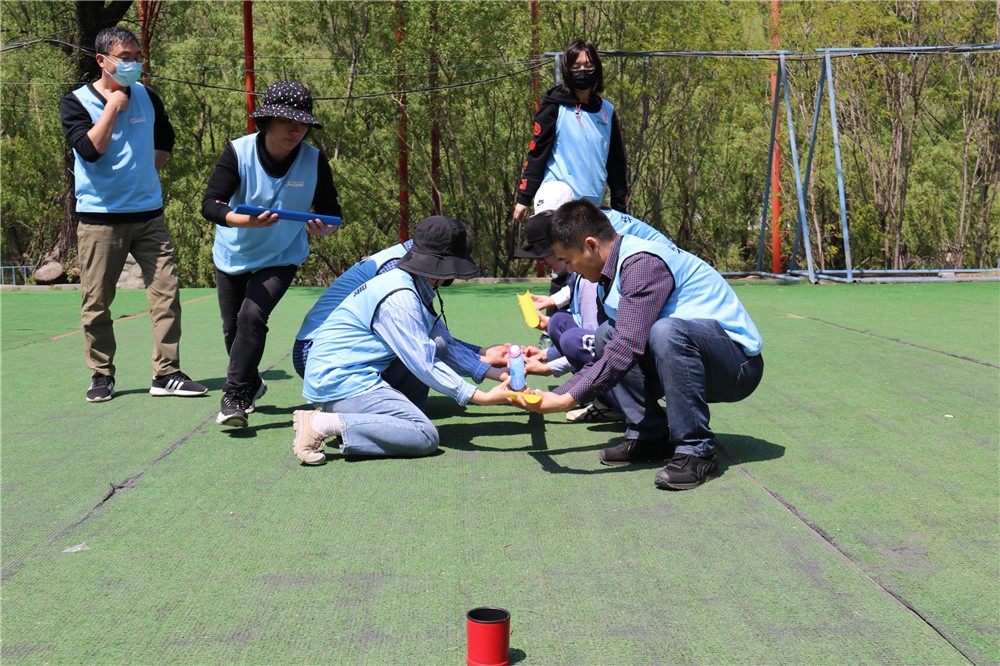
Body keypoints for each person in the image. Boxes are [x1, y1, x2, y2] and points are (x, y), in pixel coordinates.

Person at [509, 199, 764, 491]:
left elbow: (628, 347)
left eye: (567, 261)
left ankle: (698, 451)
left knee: (666, 331)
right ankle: (650, 435)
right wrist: (557, 392)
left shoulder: (642, 263)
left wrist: (567, 399)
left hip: (737, 368)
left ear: (591, 245)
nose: (571, 270)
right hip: (697, 360)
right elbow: (617, 345)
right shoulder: (611, 270)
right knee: (607, 333)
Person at [60, 26, 207, 403]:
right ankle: (101, 373)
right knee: (97, 302)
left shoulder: (148, 96)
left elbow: (166, 140)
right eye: (125, 58)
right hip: (100, 219)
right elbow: (89, 151)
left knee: (166, 295)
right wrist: (112, 108)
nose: (133, 64)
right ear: (102, 60)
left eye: (136, 57)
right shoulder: (76, 102)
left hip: (149, 215)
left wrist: (143, 173)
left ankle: (167, 373)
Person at [292, 216, 511, 465]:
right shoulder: (401, 297)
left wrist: (498, 374)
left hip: (352, 371)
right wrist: (481, 397)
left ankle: (357, 417)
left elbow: (442, 345)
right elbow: (424, 362)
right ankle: (322, 422)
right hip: (340, 380)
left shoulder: (411, 281)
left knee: (413, 408)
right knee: (424, 435)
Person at [201, 81, 339, 427]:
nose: (296, 129)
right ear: (266, 121)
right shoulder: (238, 152)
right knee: (232, 329)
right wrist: (242, 221)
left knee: (251, 317)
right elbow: (211, 204)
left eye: (302, 122)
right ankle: (251, 382)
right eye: (286, 121)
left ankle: (234, 396)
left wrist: (324, 227)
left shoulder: (314, 160)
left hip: (282, 254)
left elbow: (330, 212)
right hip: (233, 253)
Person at [515, 182, 673, 422]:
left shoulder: (604, 250)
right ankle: (605, 396)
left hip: (664, 338)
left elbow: (606, 341)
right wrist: (548, 355)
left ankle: (622, 404)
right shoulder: (593, 235)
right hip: (651, 326)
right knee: (560, 323)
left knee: (590, 337)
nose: (549, 257)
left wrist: (562, 391)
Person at [292, 239, 508, 380]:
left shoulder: (408, 260)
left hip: (320, 349)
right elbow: (421, 339)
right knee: (421, 353)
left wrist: (482, 352)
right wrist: (485, 367)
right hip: (315, 353)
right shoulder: (398, 272)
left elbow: (431, 330)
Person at [513, 40, 629, 222]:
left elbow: (616, 163)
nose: (582, 71)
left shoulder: (607, 111)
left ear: (597, 69)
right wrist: (524, 198)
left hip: (591, 208)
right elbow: (537, 153)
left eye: (588, 66)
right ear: (567, 70)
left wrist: (620, 206)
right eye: (576, 67)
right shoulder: (553, 107)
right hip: (556, 204)